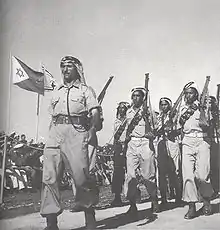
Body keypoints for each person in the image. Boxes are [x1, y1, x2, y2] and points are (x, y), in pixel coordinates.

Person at [40, 56, 103, 230]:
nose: (65, 70)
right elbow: (53, 115)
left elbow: (95, 112)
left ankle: (89, 216)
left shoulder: (85, 90)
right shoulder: (57, 91)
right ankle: (51, 222)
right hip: (55, 133)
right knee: (49, 177)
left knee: (81, 177)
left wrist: (92, 129)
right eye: (63, 66)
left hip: (77, 132)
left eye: (69, 66)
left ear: (76, 69)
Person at [124, 87, 159, 219]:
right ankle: (132, 205)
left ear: (143, 98)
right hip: (132, 144)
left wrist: (152, 134)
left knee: (148, 176)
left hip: (145, 143)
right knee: (131, 176)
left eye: (138, 96)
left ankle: (154, 199)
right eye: (134, 96)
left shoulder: (149, 112)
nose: (135, 98)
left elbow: (155, 128)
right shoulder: (128, 112)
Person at [179, 86, 214, 219]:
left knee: (202, 175)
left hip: (202, 140)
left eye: (191, 93)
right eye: (186, 93)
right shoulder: (181, 109)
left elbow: (209, 124)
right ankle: (191, 206)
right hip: (187, 141)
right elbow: (178, 126)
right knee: (187, 175)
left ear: (196, 95)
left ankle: (206, 200)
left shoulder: (203, 107)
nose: (188, 96)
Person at [155, 97, 182, 209]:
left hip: (172, 143)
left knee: (175, 171)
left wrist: (171, 131)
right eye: (161, 104)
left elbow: (180, 130)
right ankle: (164, 199)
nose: (163, 106)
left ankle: (178, 198)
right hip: (161, 143)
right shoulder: (158, 117)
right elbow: (155, 130)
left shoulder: (175, 116)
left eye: (165, 104)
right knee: (161, 173)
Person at [111, 101, 130, 207]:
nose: (122, 110)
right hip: (119, 147)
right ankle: (117, 197)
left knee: (131, 171)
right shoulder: (116, 121)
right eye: (120, 108)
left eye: (124, 108)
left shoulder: (130, 121)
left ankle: (133, 195)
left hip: (129, 145)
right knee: (117, 172)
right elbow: (115, 136)